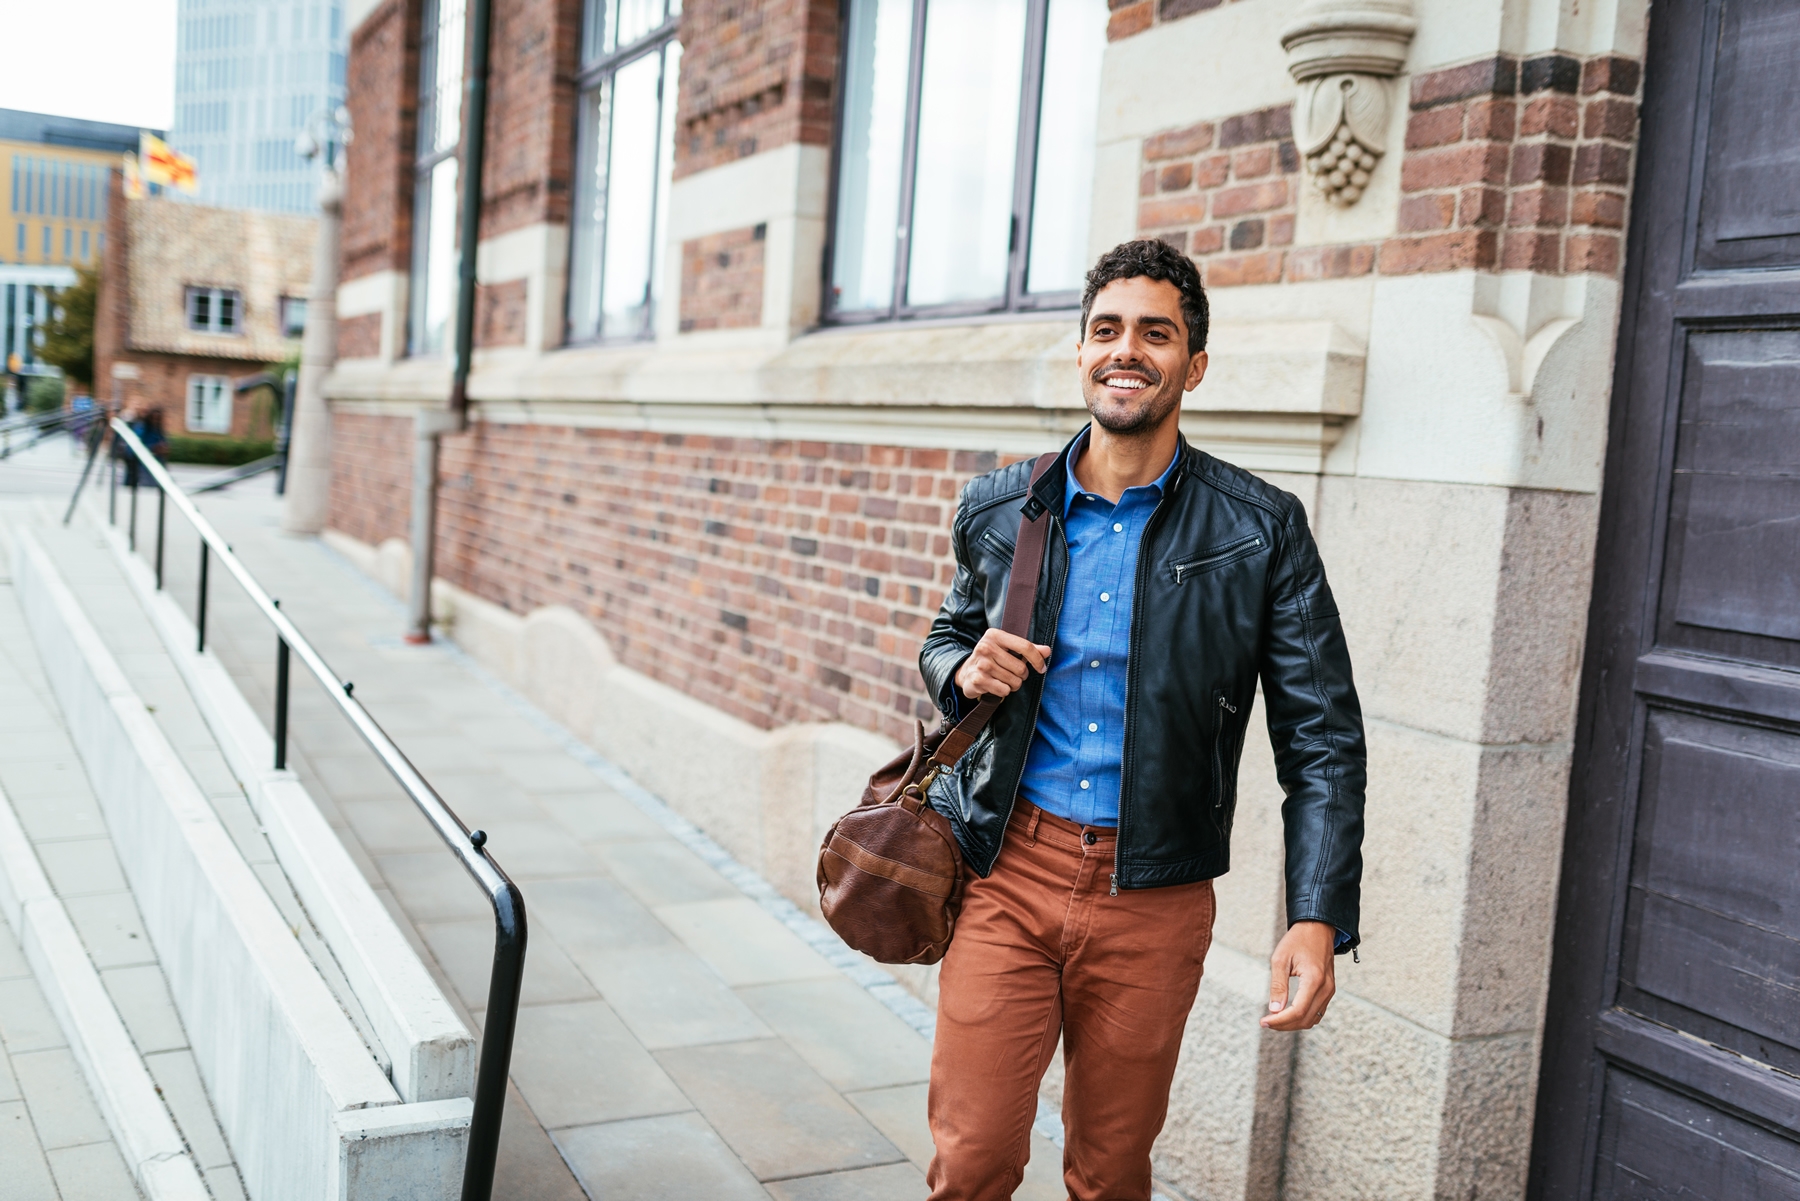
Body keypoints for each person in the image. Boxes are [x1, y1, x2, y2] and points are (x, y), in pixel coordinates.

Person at [918, 239, 1366, 1201]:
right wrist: (962, 664)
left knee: (1111, 1172)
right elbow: (946, 638)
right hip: (1006, 867)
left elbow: (1321, 737)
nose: (1127, 351)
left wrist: (1317, 911)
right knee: (971, 1160)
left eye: (1155, 334)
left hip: (1154, 894)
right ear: (1081, 352)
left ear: (1192, 365)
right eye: (1106, 330)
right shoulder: (1005, 506)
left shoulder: (1261, 526)